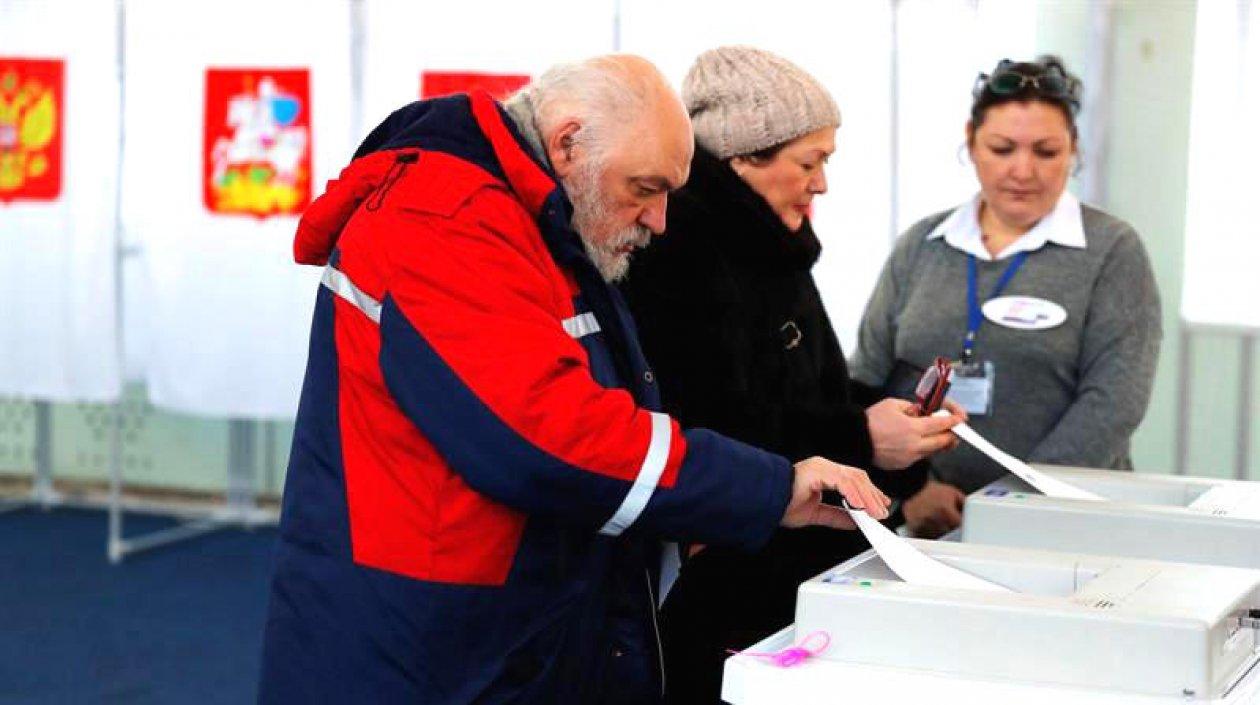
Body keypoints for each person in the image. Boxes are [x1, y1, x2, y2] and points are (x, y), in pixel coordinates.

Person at [257, 54, 891, 705]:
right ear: (566, 144)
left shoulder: (542, 222)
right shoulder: (443, 223)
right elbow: (549, 435)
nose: (659, 220)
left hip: (493, 625)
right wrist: (769, 487)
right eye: (644, 189)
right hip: (422, 643)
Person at [621, 46, 964, 705]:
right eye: (811, 162)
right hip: (731, 582)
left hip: (803, 571)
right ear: (745, 158)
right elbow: (713, 425)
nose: (822, 184)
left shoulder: (774, 247)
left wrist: (898, 426)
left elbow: (810, 391)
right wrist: (863, 436)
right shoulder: (682, 254)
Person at [852, 56, 1162, 538]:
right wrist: (910, 491)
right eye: (1002, 148)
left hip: (1067, 523)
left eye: (1046, 151)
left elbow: (1111, 406)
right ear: (971, 143)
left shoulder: (1112, 251)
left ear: (1074, 151)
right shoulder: (922, 245)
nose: (1023, 170)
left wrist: (1012, 509)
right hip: (933, 522)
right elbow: (868, 378)